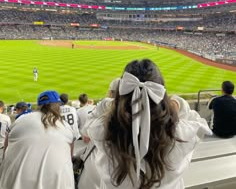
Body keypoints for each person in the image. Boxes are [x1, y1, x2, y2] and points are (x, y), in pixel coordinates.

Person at [82, 59, 211, 189]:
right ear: (161, 94)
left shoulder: (104, 131)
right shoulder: (181, 134)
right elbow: (197, 120)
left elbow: (89, 122)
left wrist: (115, 104)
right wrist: (177, 103)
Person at [0, 90, 75, 189]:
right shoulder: (65, 126)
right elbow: (69, 155)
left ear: (39, 105)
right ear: (58, 105)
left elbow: (6, 150)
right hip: (59, 183)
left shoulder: (21, 119)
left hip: (14, 182)